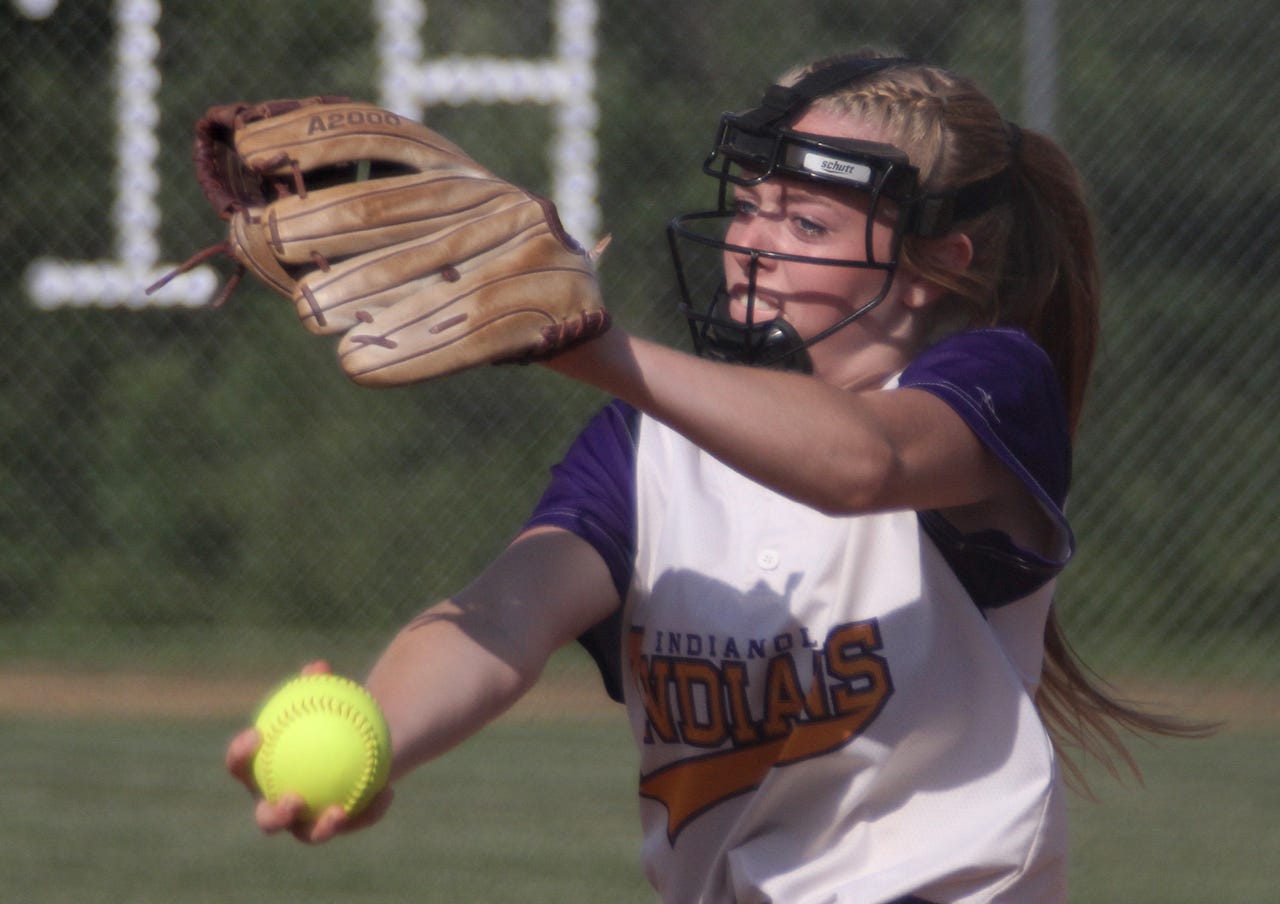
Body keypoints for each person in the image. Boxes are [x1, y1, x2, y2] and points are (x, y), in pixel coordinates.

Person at [227, 50, 1203, 903]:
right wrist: (383, 732)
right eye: (749, 207)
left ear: (930, 267)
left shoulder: (988, 386)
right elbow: (502, 617)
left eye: (807, 226)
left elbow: (864, 463)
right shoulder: (648, 446)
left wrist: (598, 349)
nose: (751, 243)